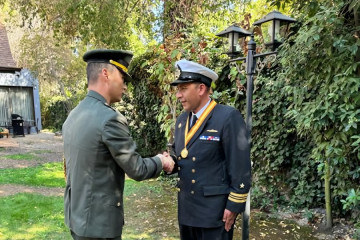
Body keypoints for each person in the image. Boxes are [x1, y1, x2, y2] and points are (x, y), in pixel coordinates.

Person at [62, 49, 174, 240]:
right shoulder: (109, 119)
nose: (125, 86)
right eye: (123, 77)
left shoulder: (74, 114)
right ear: (106, 73)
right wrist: (161, 161)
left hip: (77, 218)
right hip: (99, 226)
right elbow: (137, 169)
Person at [168, 59, 251, 240]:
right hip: (187, 210)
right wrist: (169, 162)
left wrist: (234, 206)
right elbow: (180, 155)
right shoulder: (182, 120)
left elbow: (240, 166)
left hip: (215, 212)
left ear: (201, 89)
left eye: (183, 89)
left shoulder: (227, 117)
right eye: (178, 90)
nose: (178, 95)